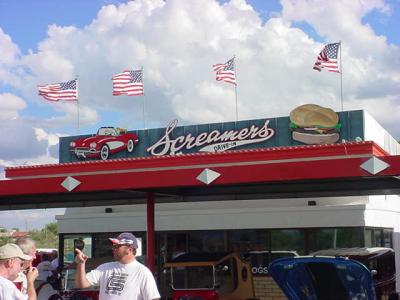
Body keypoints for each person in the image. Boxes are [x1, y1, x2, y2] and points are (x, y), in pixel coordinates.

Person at [75, 232, 160, 300]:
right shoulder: (104, 268)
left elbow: (153, 298)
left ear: (129, 250)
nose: (113, 248)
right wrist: (80, 264)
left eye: (117, 246)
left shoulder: (143, 272)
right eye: (113, 246)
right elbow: (81, 284)